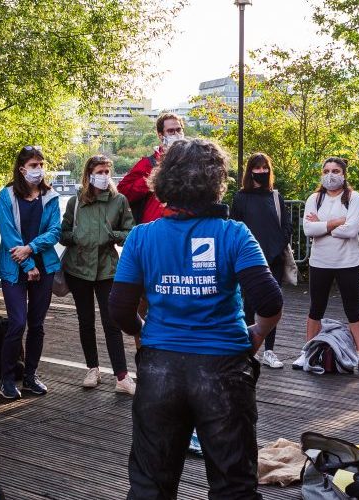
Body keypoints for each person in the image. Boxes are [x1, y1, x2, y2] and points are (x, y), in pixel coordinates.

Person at [109, 138, 284, 499]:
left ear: (165, 181)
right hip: (223, 371)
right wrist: (256, 335)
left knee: (150, 486)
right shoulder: (233, 234)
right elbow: (269, 299)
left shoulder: (142, 237)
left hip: (159, 371)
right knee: (233, 486)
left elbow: (119, 310)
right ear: (215, 181)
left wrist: (144, 333)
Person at [60, 155, 137, 394]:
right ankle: (92, 368)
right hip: (78, 268)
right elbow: (63, 233)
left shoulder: (119, 200)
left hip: (107, 269)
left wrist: (112, 234)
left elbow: (131, 231)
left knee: (111, 321)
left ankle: (122, 377)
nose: (105, 176)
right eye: (100, 172)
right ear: (89, 174)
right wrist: (77, 236)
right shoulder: (75, 201)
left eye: (107, 171)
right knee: (85, 322)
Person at [290, 157, 359, 376]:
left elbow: (351, 230)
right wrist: (337, 222)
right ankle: (307, 352)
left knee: (352, 308)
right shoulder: (314, 198)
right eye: (326, 171)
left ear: (344, 174)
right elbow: (308, 230)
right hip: (320, 261)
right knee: (316, 308)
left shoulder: (354, 198)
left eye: (335, 171)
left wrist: (323, 226)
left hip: (348, 260)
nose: (330, 175)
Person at [0, 145, 62, 399]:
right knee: (17, 322)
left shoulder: (51, 196)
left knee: (37, 324)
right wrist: (27, 264)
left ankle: (30, 376)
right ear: (22, 169)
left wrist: (32, 249)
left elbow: (55, 232)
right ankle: (6, 378)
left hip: (43, 266)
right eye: (34, 166)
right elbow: (9, 233)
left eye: (41, 165)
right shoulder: (7, 195)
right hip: (15, 266)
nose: (39, 170)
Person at [230, 152, 293, 369]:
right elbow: (235, 229)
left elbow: (286, 227)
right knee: (247, 304)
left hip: (273, 259)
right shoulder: (240, 198)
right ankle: (248, 348)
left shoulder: (276, 196)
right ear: (250, 171)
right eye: (257, 168)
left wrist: (276, 250)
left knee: (272, 304)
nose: (262, 172)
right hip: (248, 261)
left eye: (265, 168)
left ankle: (269, 350)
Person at [119, 113, 186, 224]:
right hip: (155, 228)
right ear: (161, 135)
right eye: (171, 131)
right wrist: (153, 178)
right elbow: (122, 192)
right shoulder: (148, 163)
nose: (176, 134)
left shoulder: (192, 161)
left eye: (179, 130)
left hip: (186, 228)